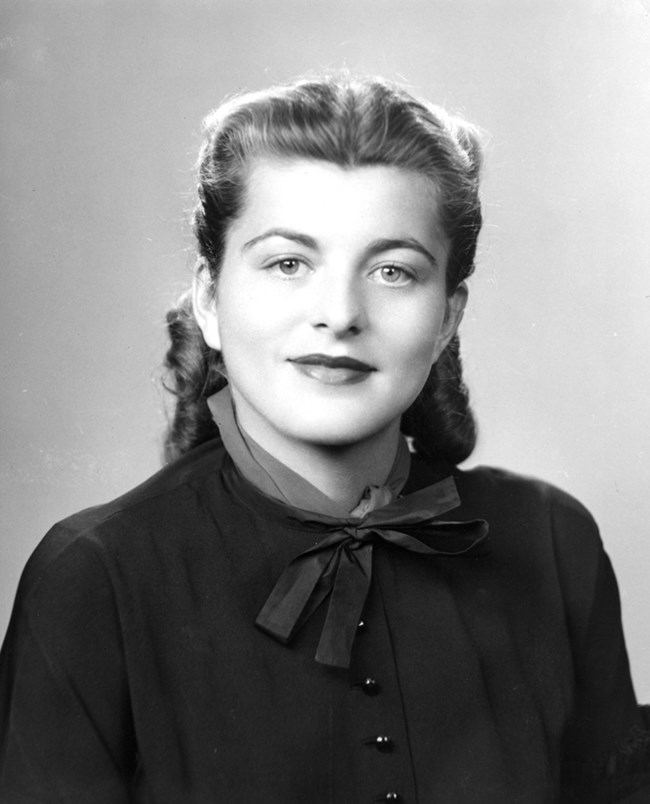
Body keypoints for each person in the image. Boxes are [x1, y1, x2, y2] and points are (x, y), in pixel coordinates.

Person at [0, 73, 648, 803]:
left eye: (393, 271)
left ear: (447, 318)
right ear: (210, 299)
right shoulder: (94, 576)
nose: (339, 313)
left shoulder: (553, 542)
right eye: (287, 263)